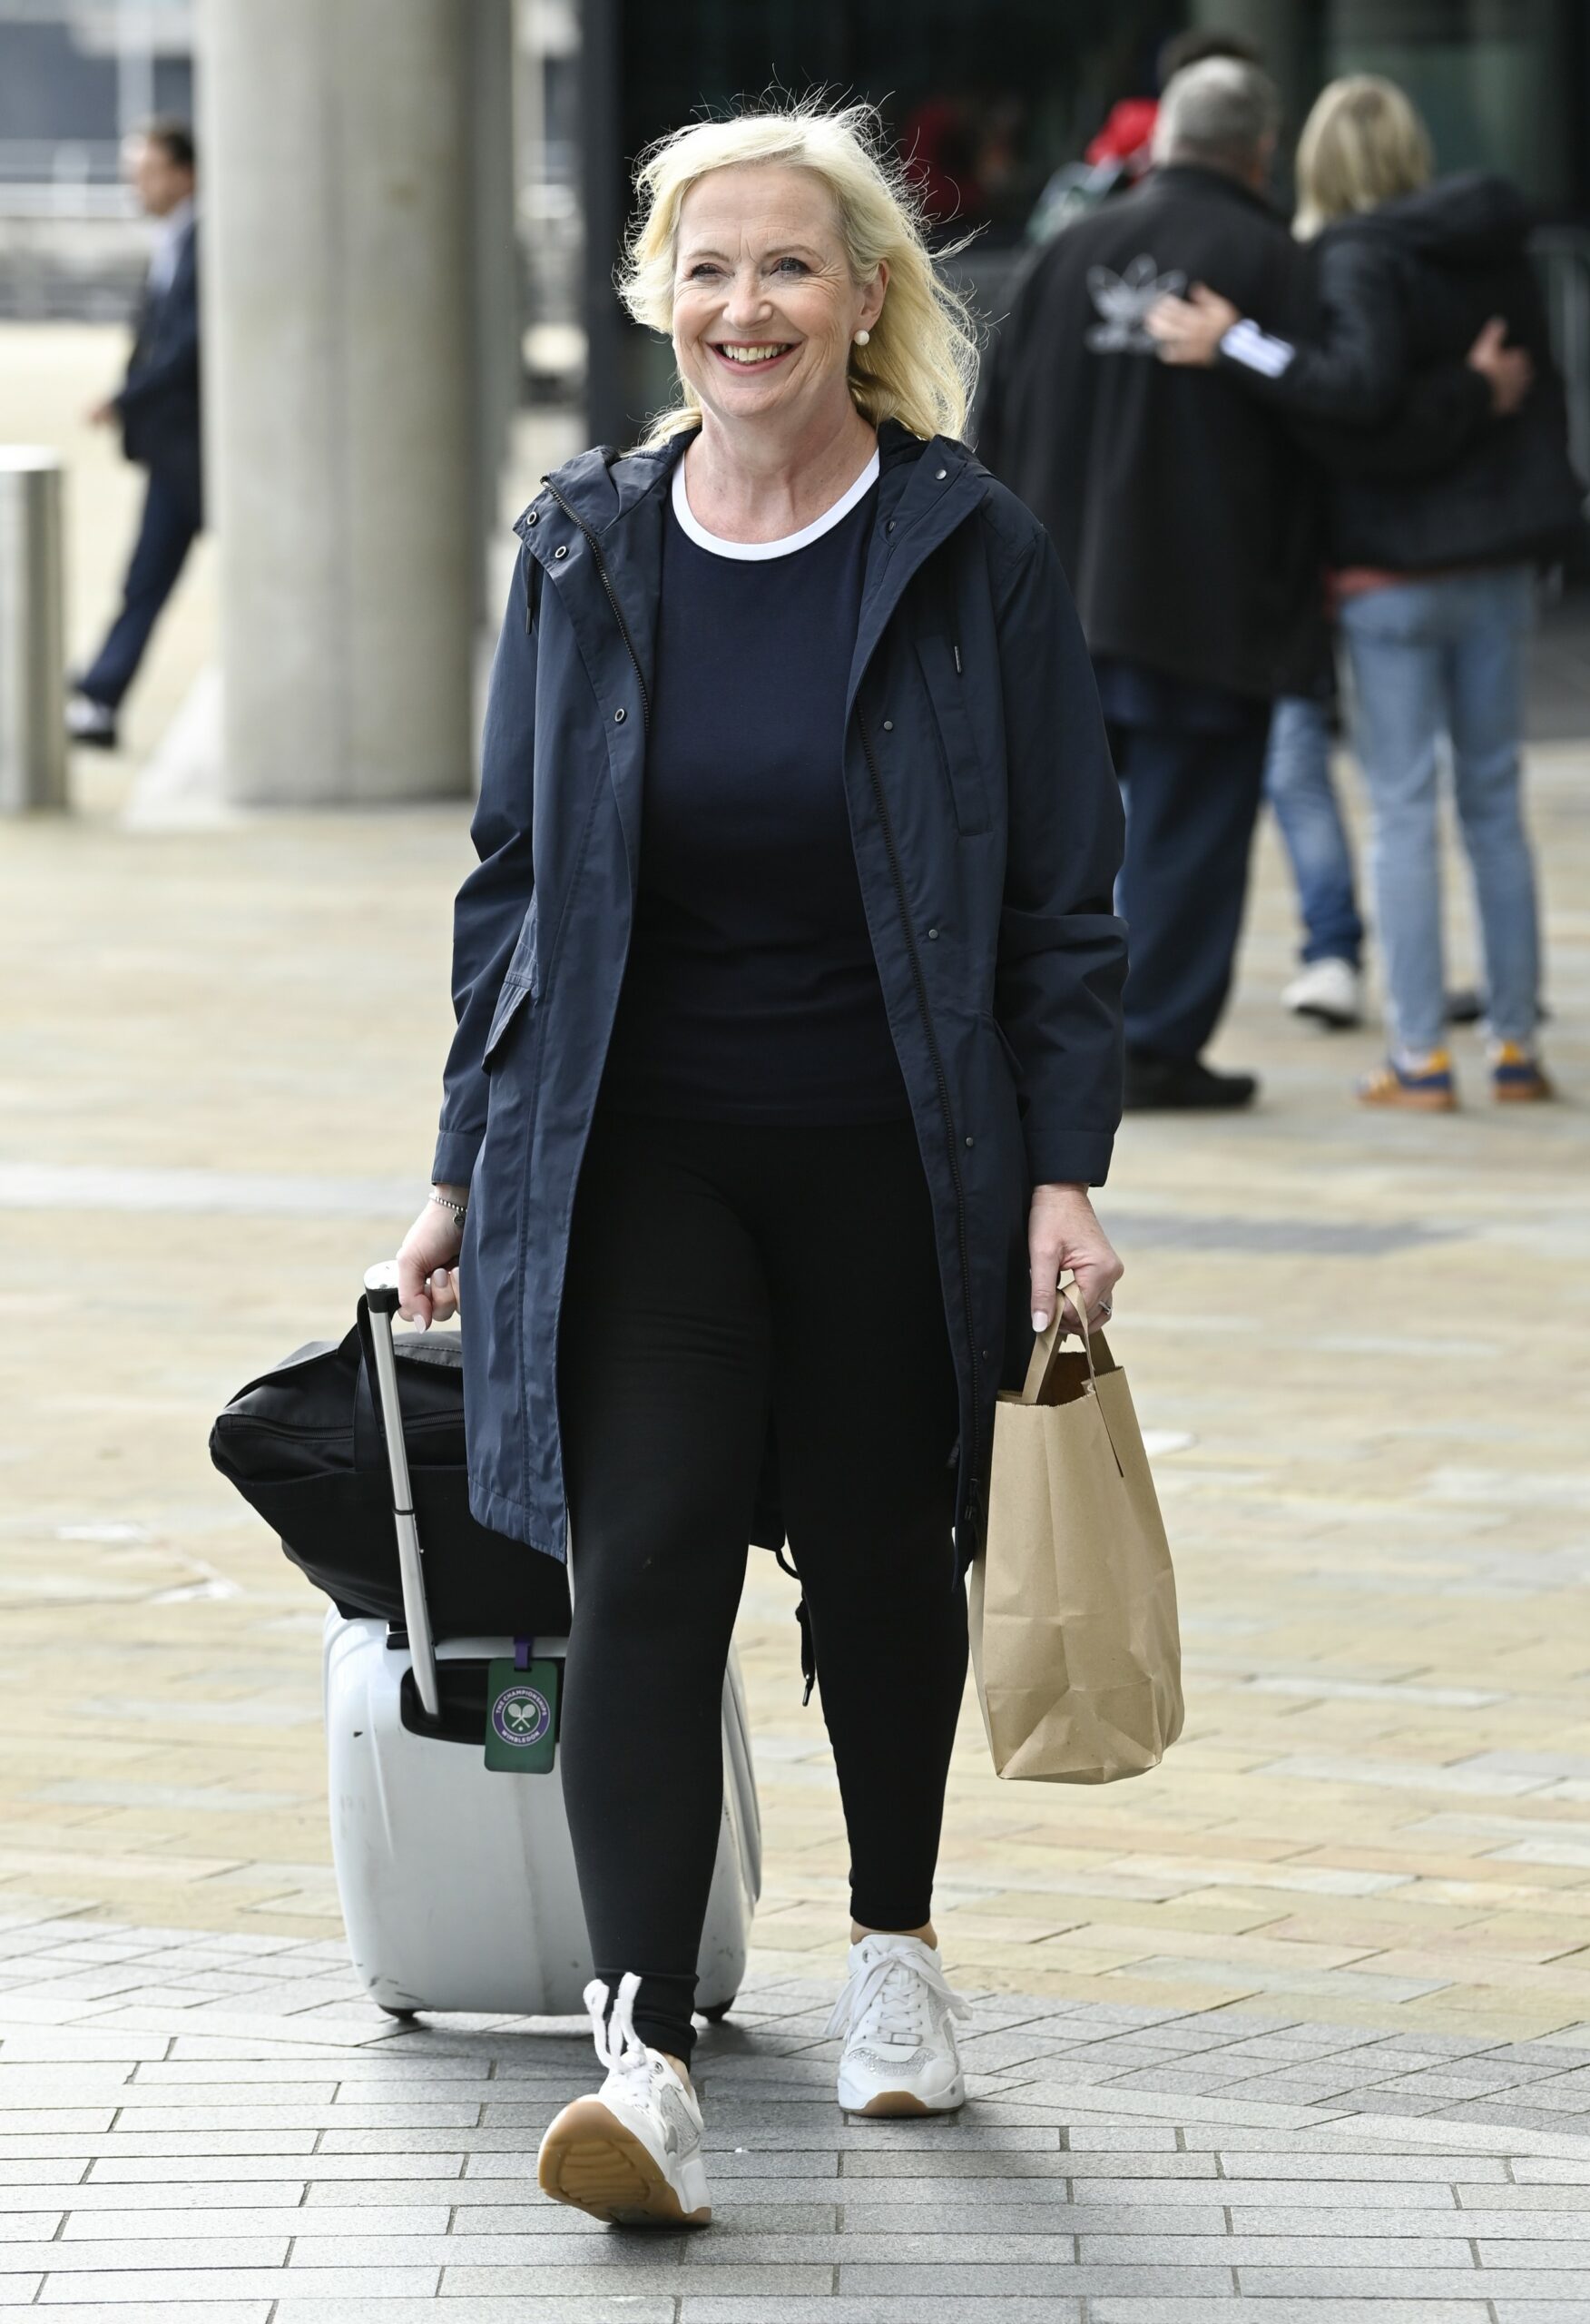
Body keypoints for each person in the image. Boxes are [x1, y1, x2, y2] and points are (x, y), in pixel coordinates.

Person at [395, 101, 1128, 2230]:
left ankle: (893, 1955)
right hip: (638, 1153)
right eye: (707, 269)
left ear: (867, 296)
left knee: (886, 1555)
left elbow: (1062, 893)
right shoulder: (585, 541)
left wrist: (1059, 1168)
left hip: (900, 1142)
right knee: (644, 1564)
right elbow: (514, 880)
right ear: (660, 293)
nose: (745, 307)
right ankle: (643, 2048)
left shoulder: (962, 543)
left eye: (789, 267)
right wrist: (460, 1159)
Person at [1147, 75, 1579, 1108]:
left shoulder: (1349, 257)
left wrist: (1237, 344)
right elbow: (1506, 397)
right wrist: (1472, 394)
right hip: (1499, 564)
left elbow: (1353, 400)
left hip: (1391, 575)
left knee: (1398, 809)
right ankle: (1515, 1049)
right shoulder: (1495, 246)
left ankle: (1420, 1057)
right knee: (1492, 803)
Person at [978, 57, 1320, 1110]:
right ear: (1261, 151)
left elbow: (995, 426)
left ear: (1162, 140)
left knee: (1054, 844)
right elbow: (1317, 430)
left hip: (1061, 603)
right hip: (1208, 606)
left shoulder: (1065, 251)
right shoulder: (1271, 261)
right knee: (1193, 832)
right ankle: (1158, 1045)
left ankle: (1044, 1042)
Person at [67, 119, 201, 752]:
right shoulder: (176, 238)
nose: (136, 186)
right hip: (179, 448)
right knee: (146, 575)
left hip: (200, 448)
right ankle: (99, 692)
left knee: (148, 575)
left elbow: (186, 346)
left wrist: (122, 398)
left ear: (184, 174)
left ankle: (99, 694)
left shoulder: (204, 240)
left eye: (146, 172)